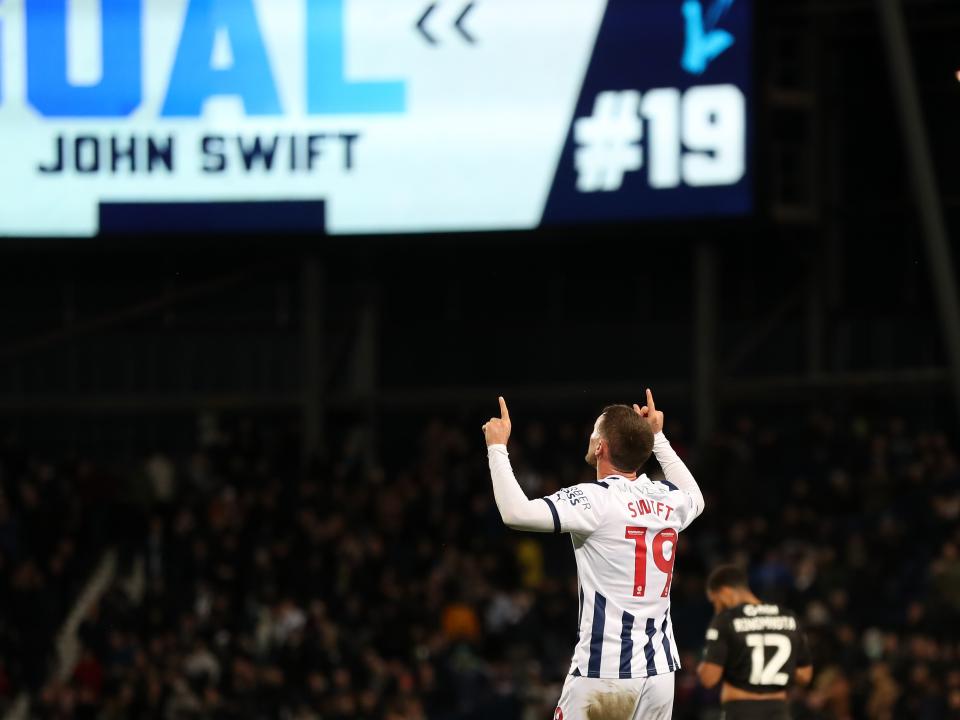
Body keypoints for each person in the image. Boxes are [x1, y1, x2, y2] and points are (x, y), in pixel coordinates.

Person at [483, 390, 704, 719]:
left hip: (606, 672)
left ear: (600, 446)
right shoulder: (666, 498)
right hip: (660, 672)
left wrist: (497, 447)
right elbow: (696, 498)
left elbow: (516, 513)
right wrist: (658, 437)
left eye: (595, 430)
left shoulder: (595, 499)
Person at [697, 564, 814, 720]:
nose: (716, 608)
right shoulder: (788, 618)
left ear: (725, 592)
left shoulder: (726, 620)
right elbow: (805, 676)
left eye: (715, 601)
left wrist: (704, 666)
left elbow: (709, 679)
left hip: (741, 711)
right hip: (779, 711)